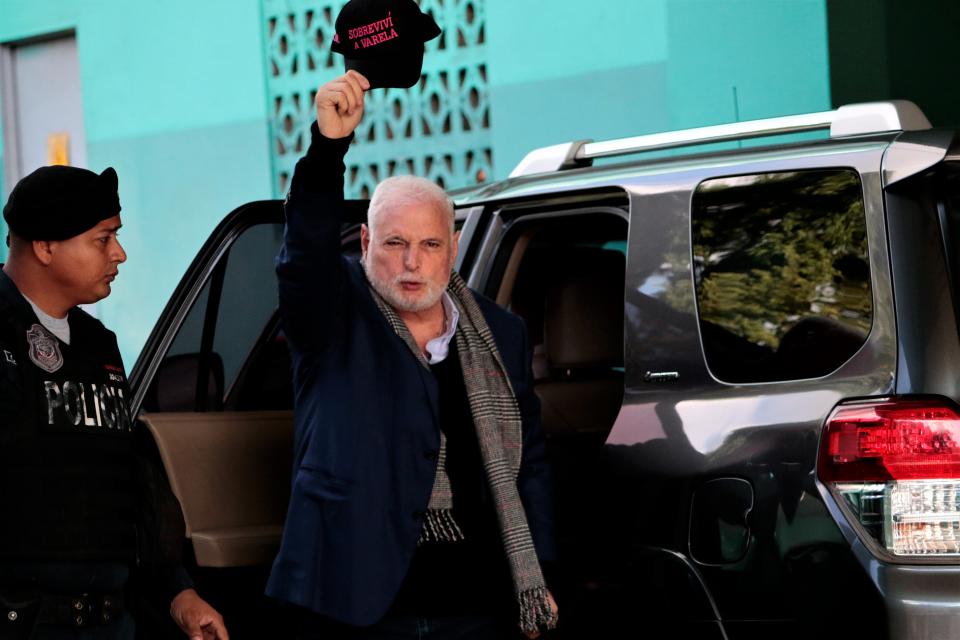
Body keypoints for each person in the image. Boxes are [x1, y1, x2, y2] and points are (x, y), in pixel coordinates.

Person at [266, 71, 559, 639]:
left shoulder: (500, 332)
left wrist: (540, 573)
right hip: (356, 604)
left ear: (451, 250)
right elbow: (303, 254)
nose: (411, 263)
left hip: (479, 602)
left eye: (429, 245)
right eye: (395, 243)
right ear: (367, 243)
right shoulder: (333, 315)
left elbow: (532, 464)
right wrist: (328, 147)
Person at [0, 165, 229, 640]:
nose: (119, 254)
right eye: (103, 239)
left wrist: (177, 591)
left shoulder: (98, 343)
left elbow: (129, 478)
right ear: (45, 247)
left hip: (110, 623)